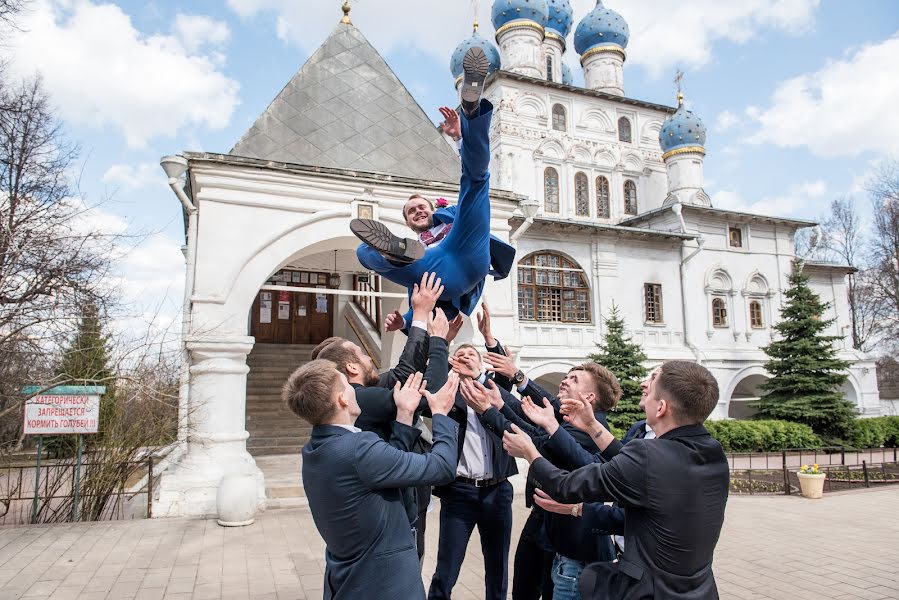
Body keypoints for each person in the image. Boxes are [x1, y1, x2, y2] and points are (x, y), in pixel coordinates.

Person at [502, 360, 729, 600]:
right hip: (699, 591)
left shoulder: (647, 456)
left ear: (661, 408)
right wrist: (591, 425)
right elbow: (633, 466)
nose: (643, 384)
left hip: (649, 592)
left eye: (651, 384)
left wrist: (530, 452)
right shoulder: (712, 453)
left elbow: (565, 486)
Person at [351, 47, 515, 332]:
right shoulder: (419, 249)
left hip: (466, 245)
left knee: (476, 182)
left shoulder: (451, 214)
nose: (417, 210)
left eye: (421, 206)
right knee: (362, 251)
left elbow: (467, 193)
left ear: (432, 209)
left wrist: (461, 138)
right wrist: (404, 323)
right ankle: (393, 253)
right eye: (411, 211)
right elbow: (421, 305)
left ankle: (472, 111)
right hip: (438, 272)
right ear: (407, 223)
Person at [287, 359, 461, 600]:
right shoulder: (358, 448)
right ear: (343, 399)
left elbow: (386, 472)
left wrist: (403, 416)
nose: (353, 388)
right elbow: (441, 467)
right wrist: (441, 414)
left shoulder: (316, 449)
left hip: (350, 581)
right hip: (385, 586)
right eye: (346, 384)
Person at [460, 363, 622, 600]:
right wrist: (500, 404)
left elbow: (539, 444)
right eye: (566, 376)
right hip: (543, 519)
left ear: (589, 397)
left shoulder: (588, 429)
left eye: (574, 379)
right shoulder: (569, 420)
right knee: (525, 587)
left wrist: (490, 411)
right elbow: (535, 429)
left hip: (570, 535)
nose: (565, 381)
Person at [427, 344, 519, 600]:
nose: (466, 357)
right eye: (460, 355)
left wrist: (488, 347)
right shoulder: (448, 396)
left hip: (497, 491)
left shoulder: (493, 393)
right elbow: (432, 385)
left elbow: (504, 384)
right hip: (459, 492)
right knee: (447, 567)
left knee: (498, 566)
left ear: (480, 365)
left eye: (471, 355)